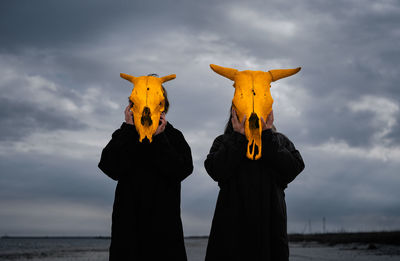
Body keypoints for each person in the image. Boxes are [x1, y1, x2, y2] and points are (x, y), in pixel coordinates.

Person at [98, 84, 193, 261]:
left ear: (163, 105)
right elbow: (108, 167)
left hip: (165, 234)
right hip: (127, 234)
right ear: (132, 106)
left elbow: (183, 170)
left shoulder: (174, 136)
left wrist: (159, 138)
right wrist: (127, 129)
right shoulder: (125, 134)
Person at [204, 107, 305, 261]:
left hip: (270, 230)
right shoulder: (223, 141)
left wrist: (266, 136)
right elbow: (216, 171)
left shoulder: (278, 140)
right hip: (230, 231)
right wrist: (238, 138)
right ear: (234, 113)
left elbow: (293, 169)